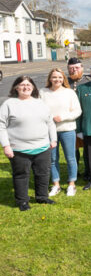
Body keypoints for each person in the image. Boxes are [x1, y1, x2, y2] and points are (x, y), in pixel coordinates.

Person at [0, 76, 57, 211]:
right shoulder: (9, 104)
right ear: (16, 87)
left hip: (42, 147)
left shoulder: (40, 103)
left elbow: (50, 122)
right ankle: (22, 201)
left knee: (43, 173)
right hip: (19, 149)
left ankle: (42, 197)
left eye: (28, 85)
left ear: (33, 87)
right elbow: (1, 125)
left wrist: (53, 139)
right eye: (22, 85)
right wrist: (6, 145)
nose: (26, 87)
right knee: (21, 175)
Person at [40, 68, 82, 197]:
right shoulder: (43, 92)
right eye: (54, 77)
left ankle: (71, 184)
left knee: (71, 158)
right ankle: (56, 184)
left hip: (67, 129)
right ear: (49, 79)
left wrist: (62, 117)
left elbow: (77, 111)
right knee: (52, 159)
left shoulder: (69, 93)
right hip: (49, 131)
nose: (57, 79)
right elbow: (39, 110)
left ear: (63, 79)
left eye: (59, 77)